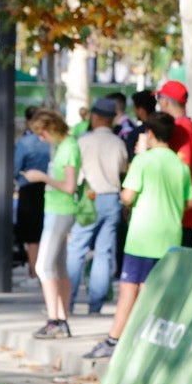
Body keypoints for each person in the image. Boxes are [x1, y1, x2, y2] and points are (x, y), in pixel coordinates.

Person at [84, 112, 192, 360]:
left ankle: (115, 339)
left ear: (151, 134)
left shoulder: (144, 161)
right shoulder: (180, 164)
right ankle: (150, 342)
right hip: (170, 237)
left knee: (129, 289)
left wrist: (138, 157)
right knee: (156, 291)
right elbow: (189, 203)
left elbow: (127, 196)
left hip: (143, 236)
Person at [67, 96, 129, 314]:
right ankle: (96, 304)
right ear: (111, 119)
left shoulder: (83, 141)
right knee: (104, 252)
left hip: (89, 198)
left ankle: (68, 302)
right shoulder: (118, 142)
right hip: (112, 198)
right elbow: (123, 171)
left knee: (76, 249)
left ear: (94, 117)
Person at [23, 108, 79, 338]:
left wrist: (42, 177)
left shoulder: (68, 148)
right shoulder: (64, 146)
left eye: (42, 133)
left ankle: (54, 319)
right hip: (56, 210)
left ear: (52, 128)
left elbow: (69, 186)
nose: (40, 138)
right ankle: (61, 318)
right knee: (58, 267)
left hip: (61, 210)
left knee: (43, 267)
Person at [156, 81, 192, 247]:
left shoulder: (181, 129)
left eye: (158, 99)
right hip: (185, 212)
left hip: (180, 214)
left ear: (165, 102)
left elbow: (182, 167)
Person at [13, 107, 52, 278]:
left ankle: (33, 271)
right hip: (51, 188)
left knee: (31, 235)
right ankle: (42, 270)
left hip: (28, 188)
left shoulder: (24, 143)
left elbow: (15, 168)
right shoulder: (51, 142)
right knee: (44, 231)